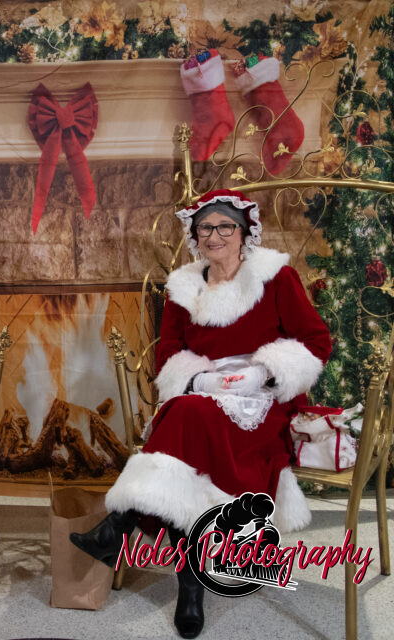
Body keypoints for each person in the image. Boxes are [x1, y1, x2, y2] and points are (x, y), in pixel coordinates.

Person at [70, 189, 332, 639]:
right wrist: (200, 381)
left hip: (263, 402)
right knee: (187, 422)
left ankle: (121, 527)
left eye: (225, 226)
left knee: (180, 426)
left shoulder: (275, 277)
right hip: (202, 394)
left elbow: (315, 342)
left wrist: (263, 372)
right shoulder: (183, 287)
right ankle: (189, 587)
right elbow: (170, 353)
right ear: (194, 235)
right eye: (205, 227)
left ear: (244, 231)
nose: (214, 235)